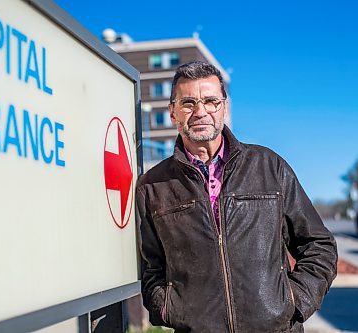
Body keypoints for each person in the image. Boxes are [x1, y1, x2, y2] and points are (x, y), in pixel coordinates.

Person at [135, 61, 337, 333]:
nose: (200, 111)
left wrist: (294, 302)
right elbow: (151, 267)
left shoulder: (269, 167)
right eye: (188, 103)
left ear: (224, 108)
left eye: (210, 101)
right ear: (173, 112)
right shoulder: (153, 186)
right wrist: (166, 308)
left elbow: (319, 245)